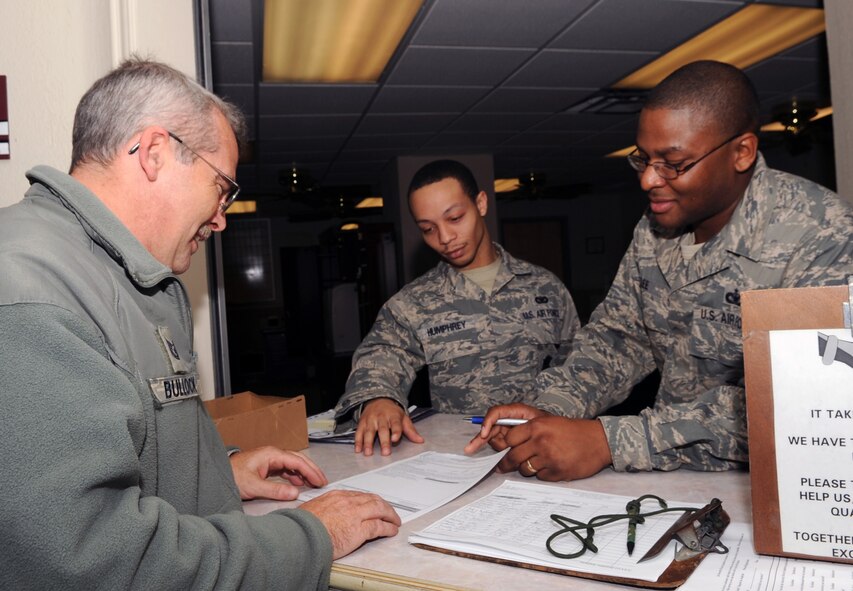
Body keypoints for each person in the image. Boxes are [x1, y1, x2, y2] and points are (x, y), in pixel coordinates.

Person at [0, 58, 399, 590]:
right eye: (222, 187)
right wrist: (310, 536)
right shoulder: (32, 292)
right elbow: (98, 564)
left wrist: (220, 472)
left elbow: (136, 447)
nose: (221, 216)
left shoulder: (133, 276)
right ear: (155, 153)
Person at [466, 60, 853, 482]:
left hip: (778, 484)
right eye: (644, 158)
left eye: (674, 163)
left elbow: (796, 402)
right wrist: (553, 406)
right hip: (672, 474)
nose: (649, 179)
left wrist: (610, 441)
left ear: (741, 152)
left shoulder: (822, 233)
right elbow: (619, 338)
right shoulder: (654, 228)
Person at [335, 159, 580, 456]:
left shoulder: (545, 287)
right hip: (460, 455)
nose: (444, 238)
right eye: (428, 229)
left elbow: (578, 366)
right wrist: (378, 399)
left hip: (542, 449)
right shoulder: (414, 302)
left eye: (454, 218)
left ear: (481, 203)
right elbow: (379, 359)